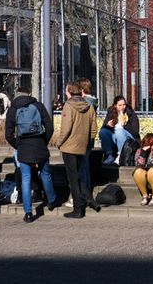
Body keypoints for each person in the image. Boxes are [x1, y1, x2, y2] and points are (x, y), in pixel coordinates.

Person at [5, 85, 56, 222]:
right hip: (39, 144)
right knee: (45, 174)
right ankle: (51, 200)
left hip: (24, 148)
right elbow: (50, 127)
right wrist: (44, 141)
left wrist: (18, 145)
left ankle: (28, 212)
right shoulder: (38, 106)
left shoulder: (13, 109)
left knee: (26, 179)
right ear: (29, 93)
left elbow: (8, 134)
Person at [52, 82, 100, 219]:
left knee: (73, 179)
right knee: (80, 176)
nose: (65, 93)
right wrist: (88, 142)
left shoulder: (68, 106)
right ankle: (90, 200)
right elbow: (94, 128)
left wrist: (59, 142)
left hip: (70, 146)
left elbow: (66, 128)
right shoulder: (88, 105)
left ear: (70, 92)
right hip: (83, 145)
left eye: (66, 91)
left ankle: (78, 209)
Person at [99, 95, 139, 165]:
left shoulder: (131, 114)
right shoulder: (111, 113)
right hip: (115, 137)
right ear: (115, 106)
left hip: (129, 138)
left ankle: (121, 155)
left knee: (119, 131)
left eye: (124, 105)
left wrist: (125, 125)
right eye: (120, 105)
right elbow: (103, 128)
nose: (122, 107)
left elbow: (135, 132)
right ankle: (109, 155)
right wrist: (108, 125)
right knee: (103, 132)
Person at [75, 79, 97, 195]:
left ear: (82, 89)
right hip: (88, 138)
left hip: (83, 138)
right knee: (85, 165)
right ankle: (86, 191)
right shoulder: (92, 102)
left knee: (83, 166)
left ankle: (85, 192)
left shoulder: (86, 103)